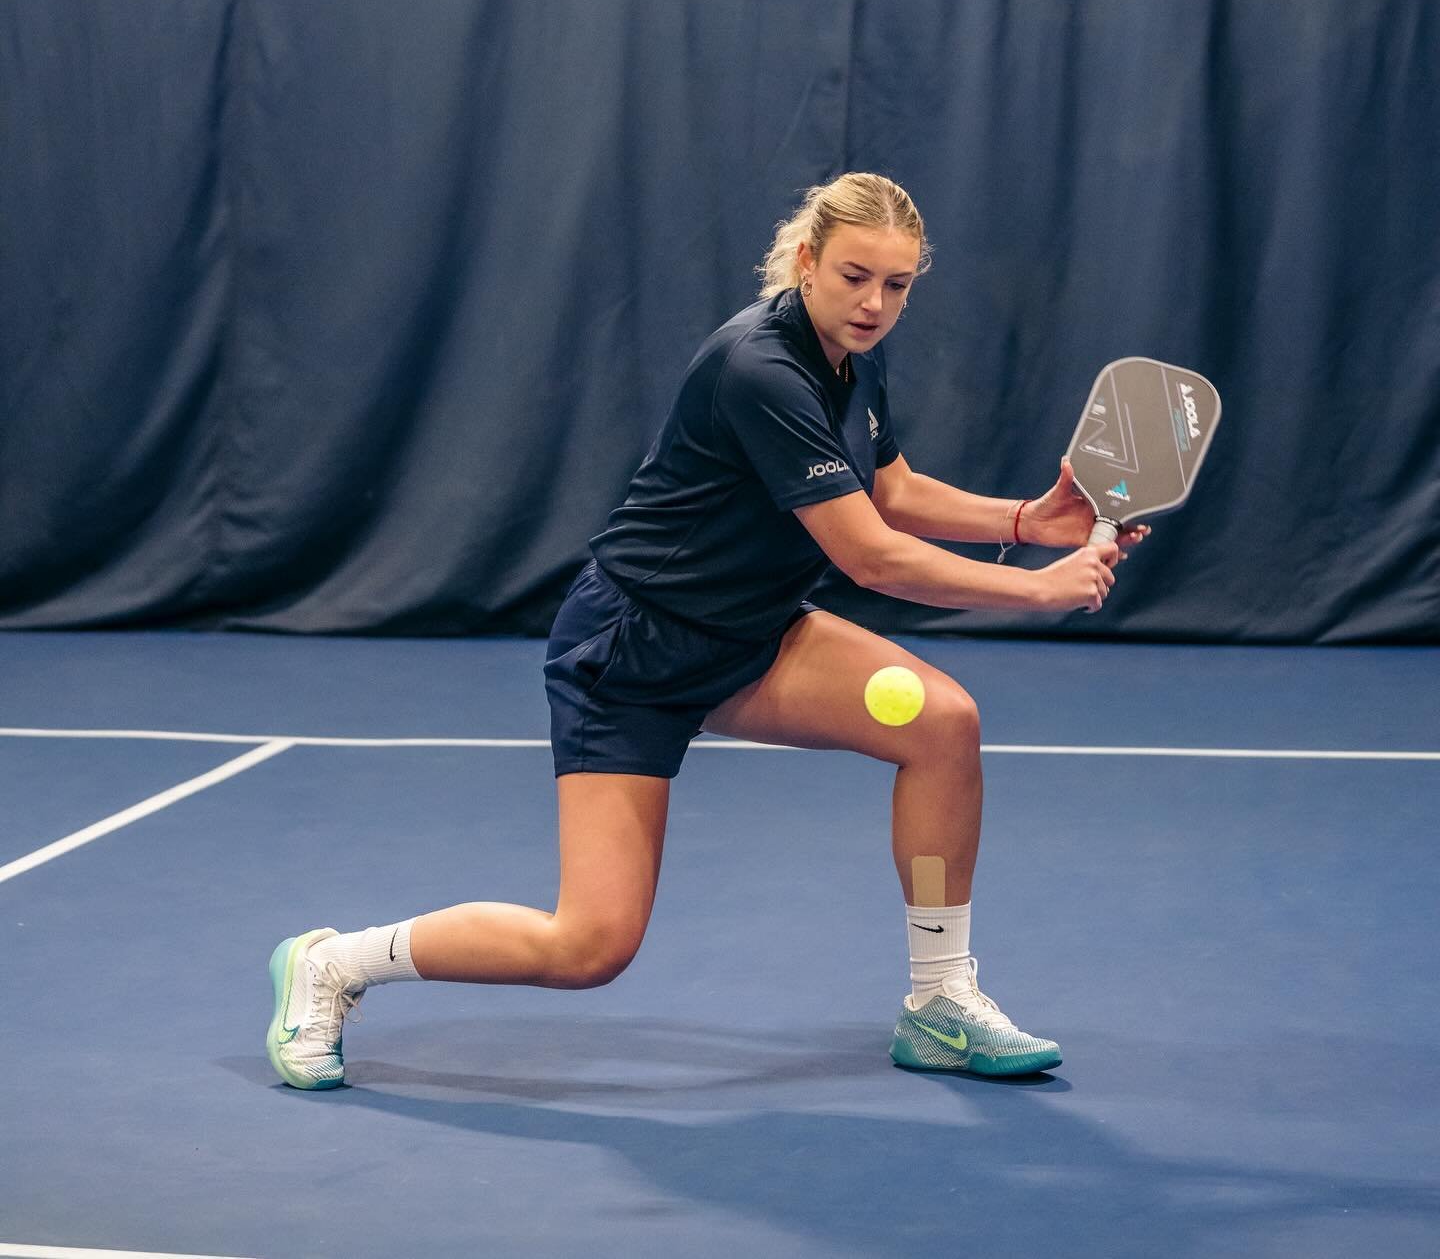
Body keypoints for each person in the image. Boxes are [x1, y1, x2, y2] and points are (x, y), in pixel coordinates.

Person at [266, 171, 1144, 1089]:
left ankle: (939, 1003)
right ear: (807, 261)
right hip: (632, 650)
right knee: (590, 944)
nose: (875, 303)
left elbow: (892, 488)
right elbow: (871, 557)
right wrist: (1040, 593)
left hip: (753, 632)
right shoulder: (758, 367)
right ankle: (332, 962)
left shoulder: (855, 354)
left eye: (897, 284)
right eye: (854, 276)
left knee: (944, 724)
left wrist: (1025, 521)